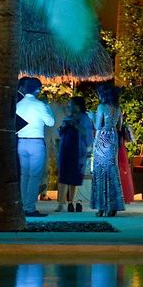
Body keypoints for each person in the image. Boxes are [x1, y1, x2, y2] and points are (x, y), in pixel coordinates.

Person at [16, 77, 55, 217]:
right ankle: (29, 207)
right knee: (34, 176)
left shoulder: (18, 105)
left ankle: (22, 205)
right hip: (36, 142)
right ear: (37, 90)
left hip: (21, 142)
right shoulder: (39, 105)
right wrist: (47, 107)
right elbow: (50, 122)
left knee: (24, 175)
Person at [91, 84, 125, 217]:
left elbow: (98, 125)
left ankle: (101, 206)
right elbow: (119, 125)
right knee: (111, 171)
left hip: (102, 139)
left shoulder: (101, 107)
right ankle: (113, 205)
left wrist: (92, 116)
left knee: (100, 171)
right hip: (112, 138)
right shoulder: (117, 108)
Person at [56, 97, 94, 213]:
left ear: (78, 106)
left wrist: (75, 125)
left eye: (71, 105)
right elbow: (60, 133)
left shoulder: (84, 118)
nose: (69, 107)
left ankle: (71, 202)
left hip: (77, 150)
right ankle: (61, 203)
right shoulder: (68, 118)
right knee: (63, 176)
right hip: (65, 149)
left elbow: (88, 135)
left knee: (74, 176)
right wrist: (63, 127)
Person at [118, 113, 136, 204]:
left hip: (119, 147)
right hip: (119, 147)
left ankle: (123, 195)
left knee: (122, 171)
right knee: (122, 171)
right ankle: (123, 195)